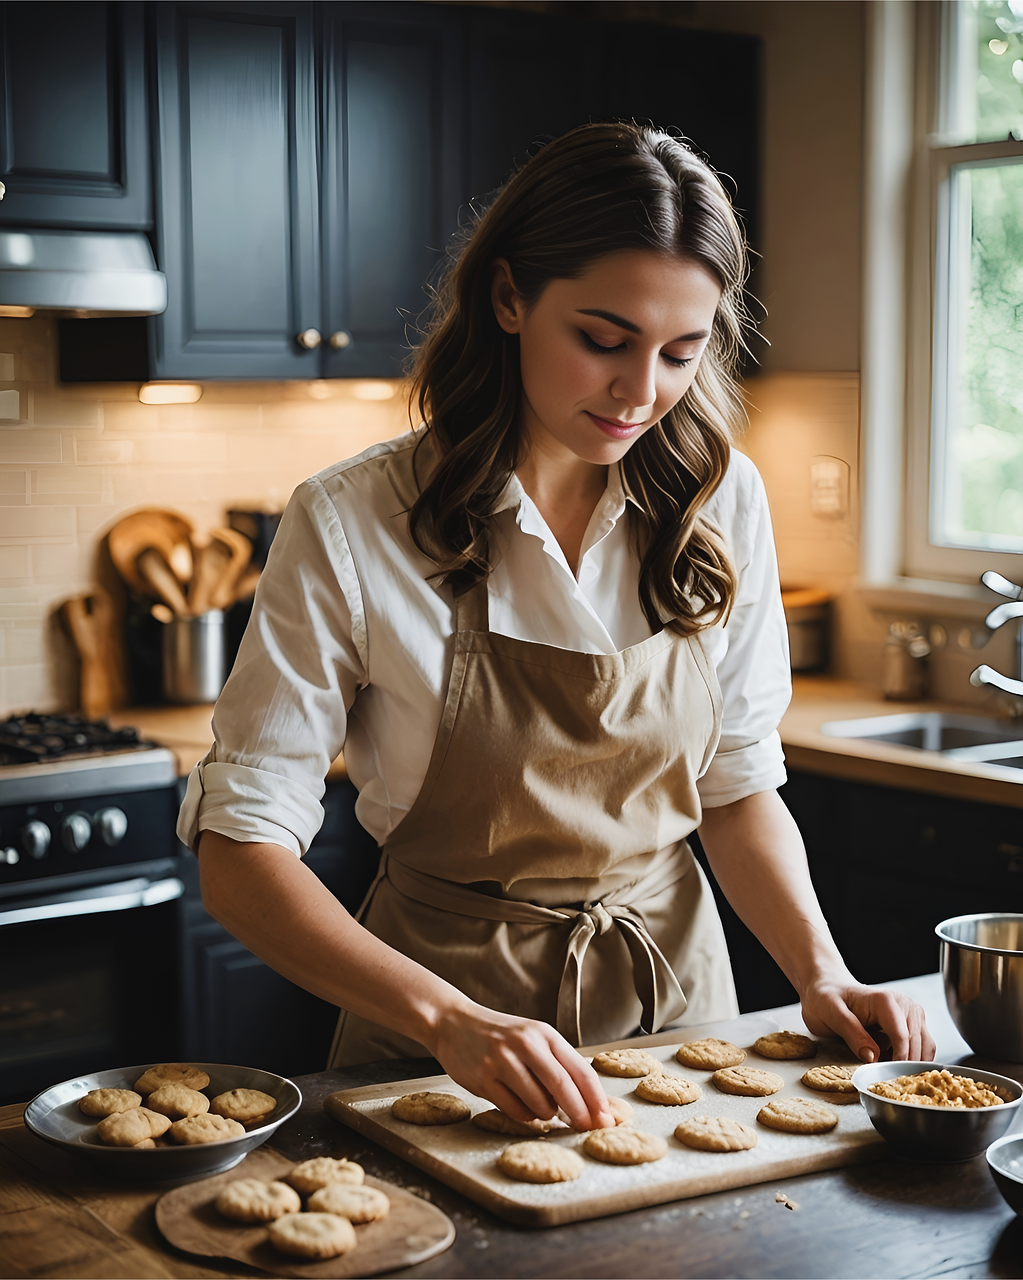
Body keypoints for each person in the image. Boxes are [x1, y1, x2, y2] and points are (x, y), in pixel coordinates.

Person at [180, 122, 934, 1132]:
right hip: (437, 1047)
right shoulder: (355, 520)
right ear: (509, 298)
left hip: (678, 1031)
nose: (640, 393)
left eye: (681, 352)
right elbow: (239, 851)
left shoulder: (721, 500)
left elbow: (736, 785)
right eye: (603, 340)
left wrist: (821, 970)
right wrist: (450, 1019)